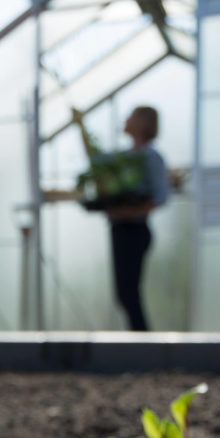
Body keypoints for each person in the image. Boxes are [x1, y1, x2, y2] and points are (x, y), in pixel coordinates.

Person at [74, 105, 169, 331]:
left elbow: (159, 197)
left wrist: (126, 211)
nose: (126, 119)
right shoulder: (124, 158)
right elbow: (95, 158)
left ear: (143, 124)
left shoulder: (151, 158)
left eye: (132, 116)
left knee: (128, 293)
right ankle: (142, 346)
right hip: (119, 229)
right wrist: (80, 126)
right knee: (123, 294)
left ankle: (145, 347)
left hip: (135, 231)